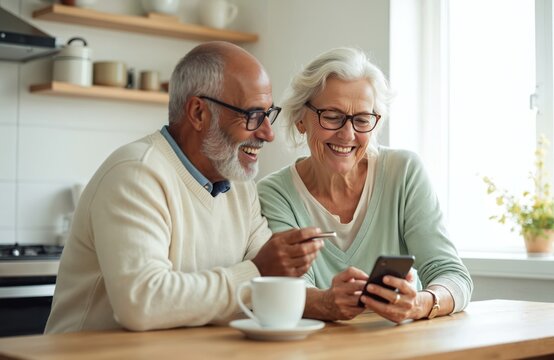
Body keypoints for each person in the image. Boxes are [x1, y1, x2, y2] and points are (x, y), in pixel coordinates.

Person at [45, 41, 325, 334]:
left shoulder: (241, 187)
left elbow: (268, 279)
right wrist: (257, 271)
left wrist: (328, 299)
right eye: (254, 115)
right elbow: (142, 304)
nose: (268, 134)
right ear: (198, 112)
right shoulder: (136, 174)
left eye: (269, 115)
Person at [257, 47, 473, 324]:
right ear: (301, 119)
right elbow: (288, 290)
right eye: (332, 116)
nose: (348, 135)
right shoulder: (275, 194)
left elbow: (452, 274)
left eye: (361, 120)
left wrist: (421, 303)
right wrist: (325, 303)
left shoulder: (404, 172)